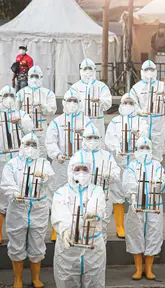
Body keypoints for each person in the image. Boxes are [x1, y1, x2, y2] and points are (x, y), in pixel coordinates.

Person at [1, 133, 55, 288]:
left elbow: (51, 178)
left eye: (33, 145)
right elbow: (7, 183)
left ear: (38, 147)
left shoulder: (44, 163)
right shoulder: (12, 164)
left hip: (38, 209)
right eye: (27, 144)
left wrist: (44, 178)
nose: (30, 148)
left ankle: (35, 278)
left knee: (37, 243)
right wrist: (14, 193)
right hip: (18, 208)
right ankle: (17, 279)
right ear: (21, 145)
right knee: (16, 243)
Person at [52, 157, 106, 287]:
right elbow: (59, 213)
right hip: (68, 249)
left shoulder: (97, 190)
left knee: (95, 282)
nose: (81, 172)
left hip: (93, 248)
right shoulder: (61, 192)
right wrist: (65, 230)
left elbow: (98, 207)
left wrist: (94, 213)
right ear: (70, 170)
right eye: (77, 169)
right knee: (66, 281)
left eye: (85, 169)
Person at [45, 89, 90, 240]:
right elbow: (50, 142)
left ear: (79, 103)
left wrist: (84, 156)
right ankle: (56, 228)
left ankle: (77, 227)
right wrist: (57, 155)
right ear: (63, 102)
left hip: (80, 166)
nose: (71, 104)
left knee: (80, 195)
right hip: (61, 164)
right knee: (58, 195)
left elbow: (93, 140)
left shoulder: (86, 121)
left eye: (75, 101)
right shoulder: (57, 122)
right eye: (69, 100)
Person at [0, 85, 33, 245]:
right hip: (0, 160)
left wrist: (21, 123)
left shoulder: (22, 114)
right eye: (5, 95)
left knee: (21, 192)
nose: (8, 98)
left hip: (19, 160)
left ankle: (22, 233)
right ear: (0, 98)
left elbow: (30, 133)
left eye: (11, 95)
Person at [122, 136, 165, 280]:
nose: (145, 151)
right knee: (136, 234)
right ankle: (138, 269)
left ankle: (149, 269)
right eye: (142, 147)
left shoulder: (157, 165)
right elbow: (128, 183)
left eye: (147, 148)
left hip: (154, 206)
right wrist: (133, 197)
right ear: (136, 150)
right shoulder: (132, 166)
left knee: (153, 234)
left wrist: (158, 184)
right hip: (137, 206)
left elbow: (163, 182)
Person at [105, 93, 148, 238]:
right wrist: (117, 148)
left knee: (136, 191)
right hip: (119, 161)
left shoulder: (140, 121)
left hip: (136, 161)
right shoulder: (115, 122)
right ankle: (119, 226)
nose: (128, 106)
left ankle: (135, 225)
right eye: (125, 103)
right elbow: (110, 138)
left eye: (131, 103)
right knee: (118, 192)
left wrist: (138, 136)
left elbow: (144, 135)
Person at [71, 124, 121, 242]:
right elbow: (71, 176)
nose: (92, 141)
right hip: (82, 197)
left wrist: (110, 174)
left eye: (95, 138)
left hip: (103, 197)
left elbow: (116, 172)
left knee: (100, 228)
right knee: (81, 227)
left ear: (99, 139)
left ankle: (99, 256)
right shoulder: (78, 156)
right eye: (89, 138)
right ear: (84, 138)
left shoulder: (106, 155)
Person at [130, 60, 165, 162]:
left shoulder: (162, 86)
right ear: (142, 71)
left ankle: (155, 173)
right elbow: (132, 103)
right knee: (141, 146)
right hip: (142, 121)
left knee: (157, 147)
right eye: (147, 69)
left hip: (158, 121)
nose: (149, 72)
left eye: (151, 69)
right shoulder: (136, 87)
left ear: (155, 71)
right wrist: (139, 111)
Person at [16, 65, 57, 158]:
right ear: (28, 77)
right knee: (25, 149)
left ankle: (40, 169)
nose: (34, 79)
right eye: (32, 76)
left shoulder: (48, 93)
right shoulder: (21, 93)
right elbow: (16, 111)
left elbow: (53, 110)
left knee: (41, 149)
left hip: (41, 127)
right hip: (25, 127)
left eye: (36, 76)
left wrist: (42, 106)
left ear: (41, 77)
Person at [70, 58, 112, 143]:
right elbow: (69, 103)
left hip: (97, 121)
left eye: (90, 68)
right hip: (80, 121)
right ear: (81, 70)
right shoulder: (75, 87)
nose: (88, 71)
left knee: (97, 143)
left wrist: (100, 101)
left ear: (94, 70)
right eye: (85, 68)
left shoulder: (101, 86)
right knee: (81, 144)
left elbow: (108, 102)